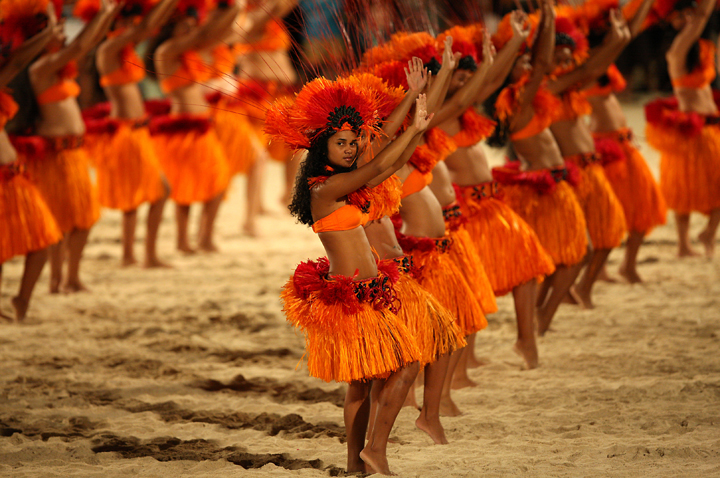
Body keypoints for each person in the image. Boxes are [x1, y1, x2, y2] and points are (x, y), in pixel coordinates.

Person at [269, 76, 432, 475]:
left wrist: (416, 128)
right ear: (322, 149)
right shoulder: (324, 189)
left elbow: (388, 164)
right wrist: (412, 127)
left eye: (352, 141)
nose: (350, 147)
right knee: (402, 366)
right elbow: (379, 162)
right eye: (340, 143)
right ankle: (373, 451)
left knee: (366, 381)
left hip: (370, 291)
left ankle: (358, 463)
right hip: (351, 299)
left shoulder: (345, 188)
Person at [442, 14, 556, 369]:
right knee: (474, 282)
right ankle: (465, 363)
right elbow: (479, 86)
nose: (466, 80)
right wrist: (506, 50)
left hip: (491, 202)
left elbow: (489, 81)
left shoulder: (467, 109)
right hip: (466, 208)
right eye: (458, 74)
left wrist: (514, 43)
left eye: (467, 73)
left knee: (528, 263)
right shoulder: (441, 114)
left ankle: (525, 339)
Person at [486, 0, 588, 336]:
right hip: (546, 187)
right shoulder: (516, 103)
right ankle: (539, 320)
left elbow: (542, 62)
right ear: (508, 73)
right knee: (574, 254)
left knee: (566, 255)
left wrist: (545, 24)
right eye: (522, 62)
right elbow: (543, 61)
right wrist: (547, 18)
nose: (530, 65)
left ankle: (540, 319)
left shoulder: (524, 97)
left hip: (551, 183)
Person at [13, 0, 119, 293]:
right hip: (55, 155)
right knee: (61, 218)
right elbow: (78, 47)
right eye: (56, 28)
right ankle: (56, 279)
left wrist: (103, 20)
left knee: (83, 218)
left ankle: (71, 276)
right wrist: (104, 14)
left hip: (75, 153)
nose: (62, 32)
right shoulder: (41, 68)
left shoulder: (61, 68)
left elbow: (87, 44)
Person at [81, 0, 178, 268]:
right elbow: (146, 27)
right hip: (124, 132)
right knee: (157, 191)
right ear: (115, 22)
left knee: (138, 195)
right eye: (128, 20)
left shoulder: (122, 50)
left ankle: (133, 255)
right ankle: (144, 255)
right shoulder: (108, 50)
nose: (133, 25)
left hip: (137, 131)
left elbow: (146, 28)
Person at [545, 8, 630, 309]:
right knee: (572, 245)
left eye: (568, 58)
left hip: (591, 168)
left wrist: (620, 39)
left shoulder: (569, 88)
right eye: (559, 57)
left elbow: (591, 70)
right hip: (570, 173)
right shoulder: (546, 89)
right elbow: (588, 71)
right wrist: (617, 39)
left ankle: (582, 289)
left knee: (609, 234)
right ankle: (546, 304)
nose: (565, 64)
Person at [583, 0, 667, 282]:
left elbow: (632, 29)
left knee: (646, 203)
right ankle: (601, 270)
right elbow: (626, 34)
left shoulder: (606, 60)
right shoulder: (586, 65)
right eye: (609, 27)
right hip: (603, 146)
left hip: (624, 143)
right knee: (607, 215)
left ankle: (627, 265)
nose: (615, 30)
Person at [149, 0, 238, 253]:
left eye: (191, 26)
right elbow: (202, 35)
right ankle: (185, 240)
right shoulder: (165, 52)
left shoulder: (189, 52)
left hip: (201, 126)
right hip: (183, 128)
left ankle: (202, 236)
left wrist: (233, 7)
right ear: (171, 29)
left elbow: (215, 35)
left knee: (217, 182)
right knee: (186, 186)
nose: (189, 31)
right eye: (184, 27)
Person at [0, 0, 63, 320]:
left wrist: (47, 28)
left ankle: (21, 299)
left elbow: (18, 57)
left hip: (14, 174)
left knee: (44, 236)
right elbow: (19, 58)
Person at [646, 0, 720, 258]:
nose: (689, 19)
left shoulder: (702, 47)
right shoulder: (676, 51)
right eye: (682, 16)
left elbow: (702, 24)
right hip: (689, 129)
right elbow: (700, 20)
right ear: (671, 21)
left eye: (691, 13)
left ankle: (709, 232)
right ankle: (683, 244)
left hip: (711, 128)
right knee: (684, 188)